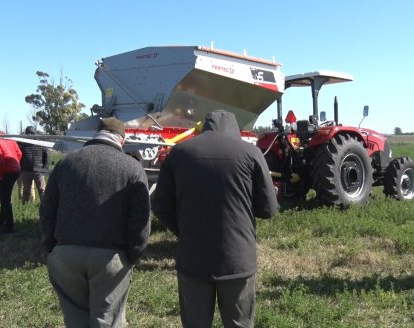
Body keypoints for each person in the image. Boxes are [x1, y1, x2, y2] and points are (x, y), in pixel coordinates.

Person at [152, 110, 278, 328]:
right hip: (237, 259)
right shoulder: (251, 152)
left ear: (206, 126)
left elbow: (161, 206)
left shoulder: (179, 153)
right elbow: (268, 209)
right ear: (234, 128)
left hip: (193, 259)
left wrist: (184, 230)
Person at [40, 117, 151, 327]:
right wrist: (133, 254)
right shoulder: (133, 168)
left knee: (75, 320)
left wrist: (51, 247)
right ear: (122, 141)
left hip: (66, 254)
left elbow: (47, 211)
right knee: (107, 320)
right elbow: (141, 220)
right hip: (111, 258)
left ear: (96, 135)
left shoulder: (66, 163)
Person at [19, 126, 49, 203]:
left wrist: (45, 169)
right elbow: (20, 157)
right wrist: (21, 168)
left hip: (39, 170)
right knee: (26, 190)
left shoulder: (41, 143)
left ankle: (45, 206)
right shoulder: (23, 145)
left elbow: (47, 156)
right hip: (26, 170)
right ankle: (24, 206)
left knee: (42, 189)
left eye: (31, 133)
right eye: (28, 133)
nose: (29, 135)